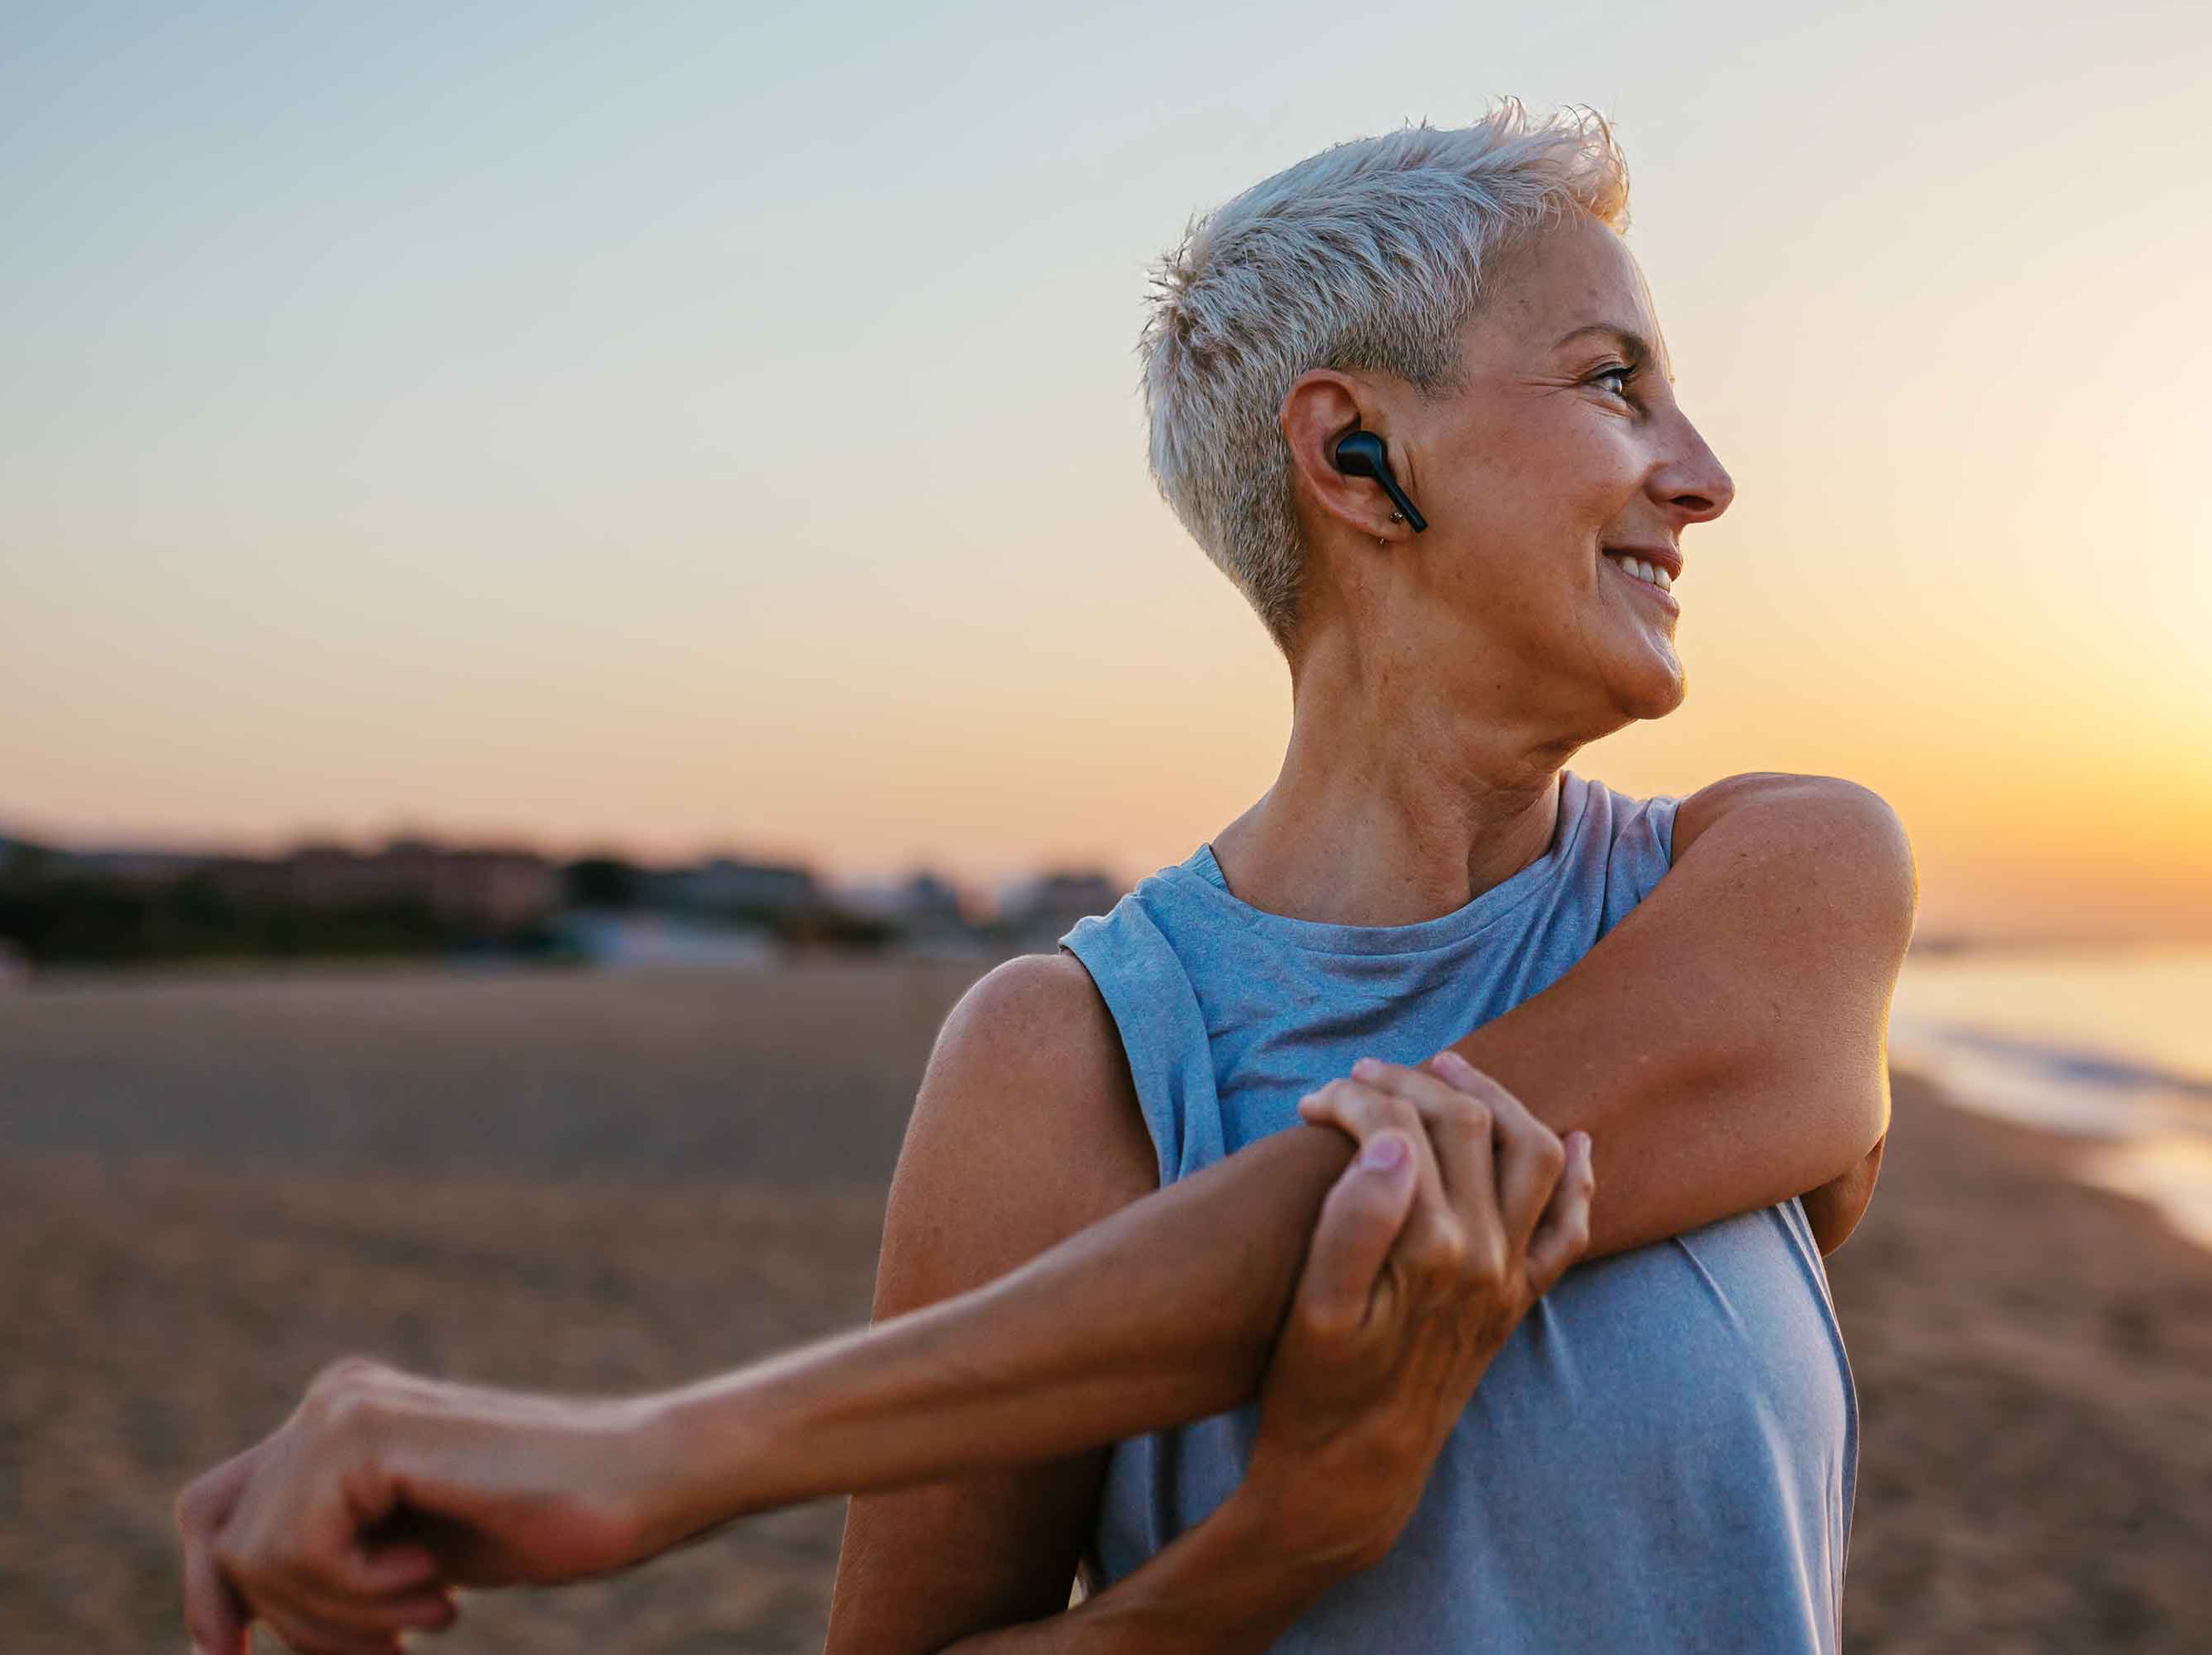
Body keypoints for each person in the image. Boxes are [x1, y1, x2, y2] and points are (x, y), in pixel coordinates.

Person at [174, 98, 1916, 1652]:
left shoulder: (1787, 876)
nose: (1704, 477)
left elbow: (1411, 1174)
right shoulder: (1067, 1059)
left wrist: (652, 1458)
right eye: (1616, 381)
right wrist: (1285, 1540)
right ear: (1357, 460)